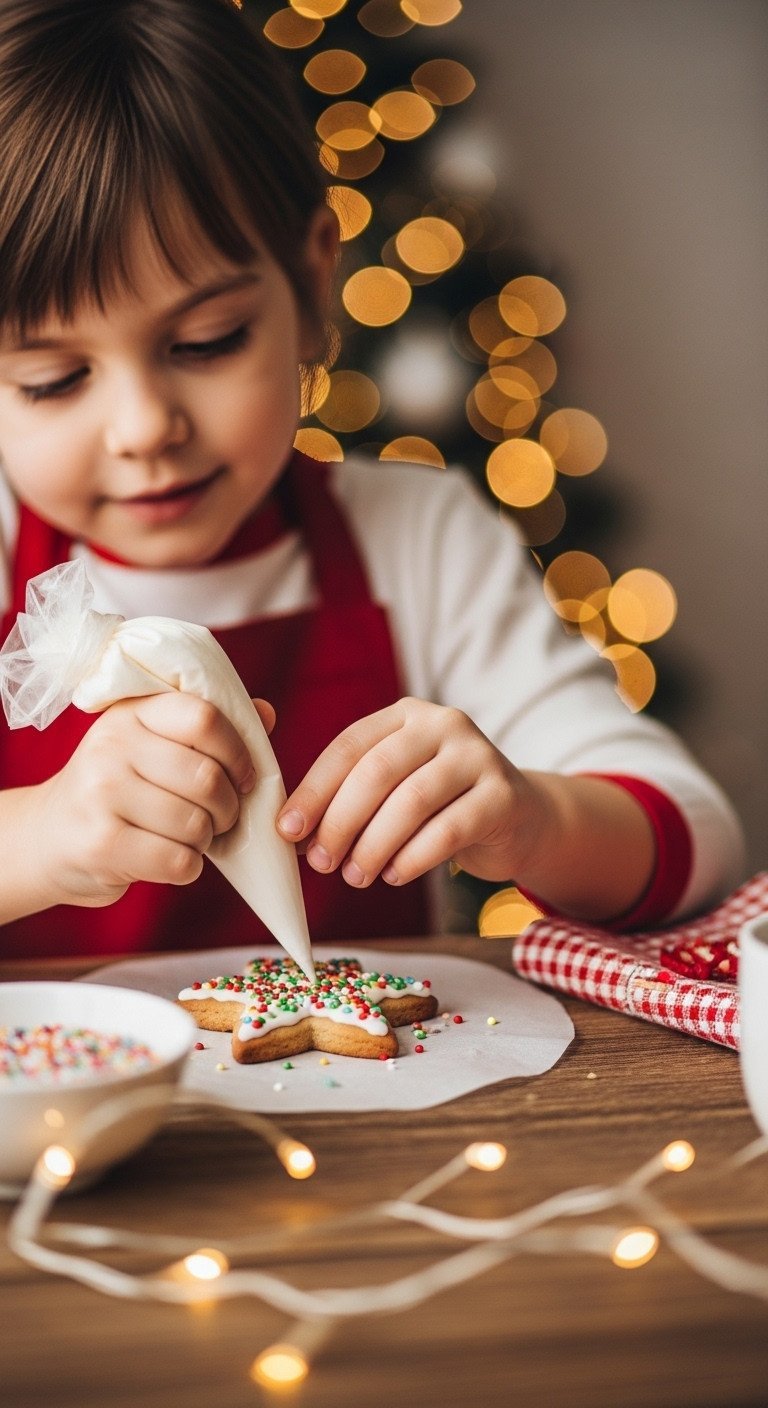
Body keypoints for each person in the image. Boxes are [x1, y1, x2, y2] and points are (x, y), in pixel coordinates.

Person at [0, 0, 744, 959]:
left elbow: (695, 839)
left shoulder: (418, 537)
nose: (146, 429)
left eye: (208, 341)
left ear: (312, 284)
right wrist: (38, 838)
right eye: (53, 379)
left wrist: (531, 819)